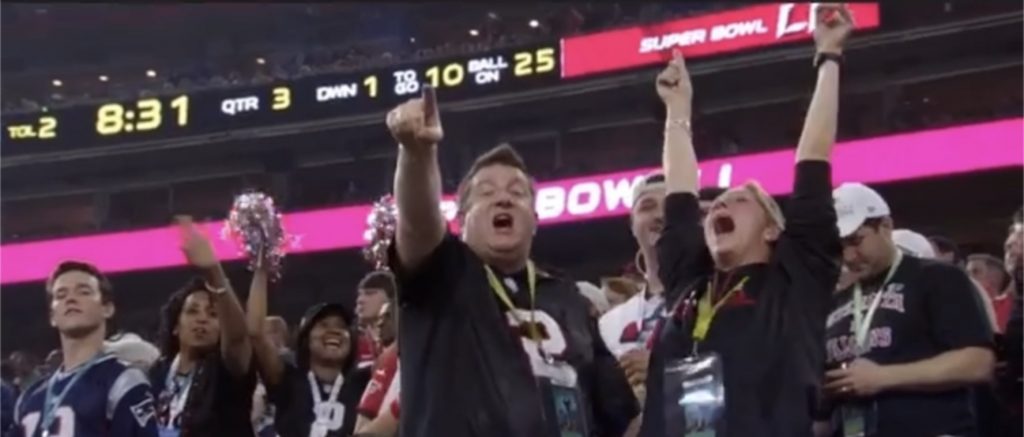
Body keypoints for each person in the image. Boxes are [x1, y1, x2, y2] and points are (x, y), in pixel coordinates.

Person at [639, 4, 850, 436]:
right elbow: (680, 194)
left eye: (737, 201)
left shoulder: (796, 279)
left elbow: (812, 163)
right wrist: (678, 109)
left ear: (774, 229)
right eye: (715, 205)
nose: (717, 207)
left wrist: (828, 57)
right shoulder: (688, 284)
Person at [385, 84, 639, 436]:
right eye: (486, 193)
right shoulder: (442, 275)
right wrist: (416, 154)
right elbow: (418, 222)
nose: (503, 200)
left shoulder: (568, 298)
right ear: (460, 218)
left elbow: (619, 414)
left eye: (517, 193)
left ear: (535, 220)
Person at [816, 182, 995, 437]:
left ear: (886, 226)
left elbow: (977, 362)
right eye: (838, 246)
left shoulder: (937, 277)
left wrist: (882, 377)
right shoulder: (836, 301)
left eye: (856, 241)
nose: (849, 255)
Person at [12, 261, 158, 437]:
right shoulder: (29, 398)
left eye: (83, 292)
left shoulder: (122, 381)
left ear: (107, 308)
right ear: (52, 317)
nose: (70, 299)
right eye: (61, 295)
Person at [150, 216, 256, 437]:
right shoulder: (156, 375)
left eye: (213, 314)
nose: (202, 319)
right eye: (192, 311)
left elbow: (237, 339)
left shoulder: (227, 372)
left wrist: (214, 272)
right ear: (175, 326)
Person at [246, 266, 371, 437]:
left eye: (341, 327)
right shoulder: (288, 380)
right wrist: (261, 270)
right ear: (306, 338)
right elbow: (256, 332)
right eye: (323, 325)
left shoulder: (365, 381)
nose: (334, 331)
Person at [355, 302, 400, 437]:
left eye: (388, 317)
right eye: (379, 319)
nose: (380, 324)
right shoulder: (390, 359)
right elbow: (363, 423)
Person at [354, 272, 397, 370]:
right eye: (360, 294)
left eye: (369, 293)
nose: (360, 300)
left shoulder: (404, 341)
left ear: (390, 299)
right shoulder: (352, 343)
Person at [967, 253, 1015, 333]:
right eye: (967, 273)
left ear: (993, 278)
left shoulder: (1010, 307)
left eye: (975, 272)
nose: (969, 278)